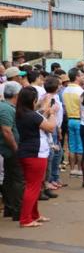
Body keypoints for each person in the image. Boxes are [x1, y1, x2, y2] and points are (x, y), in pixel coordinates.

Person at [16, 86, 58, 227]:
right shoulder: (31, 115)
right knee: (33, 187)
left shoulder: (23, 113)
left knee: (33, 185)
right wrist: (52, 113)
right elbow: (51, 127)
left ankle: (33, 215)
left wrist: (46, 105)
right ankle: (26, 219)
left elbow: (40, 113)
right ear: (32, 100)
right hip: (35, 153)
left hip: (28, 152)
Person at [0, 81, 24, 221]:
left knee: (10, 179)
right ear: (17, 95)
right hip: (10, 149)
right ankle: (17, 211)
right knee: (18, 179)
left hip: (8, 149)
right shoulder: (7, 109)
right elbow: (7, 131)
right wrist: (16, 149)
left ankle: (10, 208)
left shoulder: (8, 107)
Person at [62, 68, 84, 177]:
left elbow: (65, 107)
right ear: (76, 77)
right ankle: (79, 169)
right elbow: (82, 107)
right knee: (79, 146)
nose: (82, 77)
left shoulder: (65, 90)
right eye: (80, 75)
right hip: (79, 120)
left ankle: (72, 169)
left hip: (70, 119)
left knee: (71, 146)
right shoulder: (80, 91)